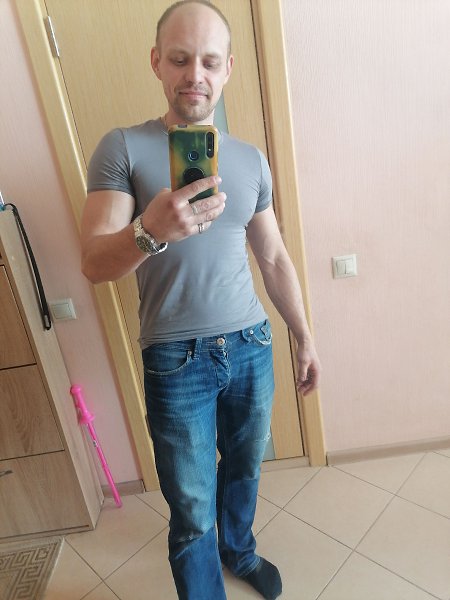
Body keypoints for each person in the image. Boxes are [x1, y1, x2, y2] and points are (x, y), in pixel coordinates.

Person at [81, 1, 321, 598]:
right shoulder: (123, 147)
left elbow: (273, 257)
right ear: (157, 62)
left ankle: (239, 550)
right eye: (181, 59)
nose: (195, 75)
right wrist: (150, 230)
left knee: (244, 470)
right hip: (174, 357)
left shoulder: (250, 159)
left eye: (210, 62)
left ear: (228, 68)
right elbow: (94, 262)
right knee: (190, 503)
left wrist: (303, 335)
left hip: (251, 344)